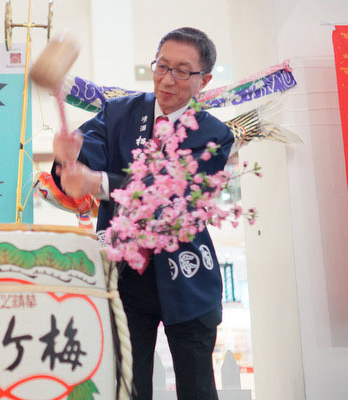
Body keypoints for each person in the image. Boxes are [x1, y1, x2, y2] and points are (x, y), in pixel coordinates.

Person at [53, 27, 233, 399]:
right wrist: (69, 156)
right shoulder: (119, 112)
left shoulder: (215, 135)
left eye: (182, 71)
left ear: (205, 80)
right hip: (126, 275)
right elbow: (86, 155)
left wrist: (97, 181)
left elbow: (169, 193)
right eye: (161, 66)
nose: (168, 79)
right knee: (127, 387)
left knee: (197, 388)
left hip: (188, 276)